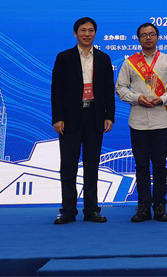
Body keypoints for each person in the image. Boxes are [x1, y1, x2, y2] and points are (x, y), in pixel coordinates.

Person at [51, 17, 115, 224]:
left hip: (95, 116)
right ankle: (68, 211)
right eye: (83, 30)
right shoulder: (64, 57)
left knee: (92, 165)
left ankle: (91, 210)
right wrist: (58, 118)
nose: (87, 34)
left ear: (95, 33)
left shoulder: (103, 59)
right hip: (70, 118)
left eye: (91, 30)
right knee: (68, 166)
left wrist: (109, 115)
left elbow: (108, 90)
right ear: (75, 33)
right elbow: (56, 90)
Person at [116, 22, 167, 223]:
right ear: (138, 39)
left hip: (160, 120)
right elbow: (120, 88)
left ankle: (160, 205)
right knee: (141, 165)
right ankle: (143, 206)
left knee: (160, 165)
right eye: (144, 35)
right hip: (137, 121)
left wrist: (161, 99)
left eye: (152, 34)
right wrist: (137, 98)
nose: (148, 38)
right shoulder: (130, 62)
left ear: (158, 37)